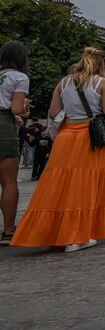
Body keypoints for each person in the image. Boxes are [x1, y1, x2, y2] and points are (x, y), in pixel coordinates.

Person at [12, 47, 105, 252]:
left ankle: (52, 232)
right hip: (88, 138)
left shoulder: (64, 82)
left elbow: (53, 112)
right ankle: (76, 236)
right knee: (83, 186)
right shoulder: (101, 83)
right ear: (100, 65)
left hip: (66, 137)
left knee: (58, 185)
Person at [0, 41, 31, 245]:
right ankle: (9, 229)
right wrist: (24, 112)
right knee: (9, 181)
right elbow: (15, 109)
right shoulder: (19, 77)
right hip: (3, 124)